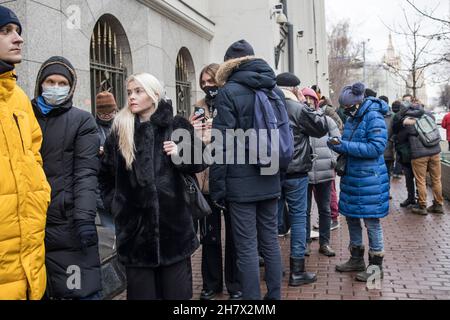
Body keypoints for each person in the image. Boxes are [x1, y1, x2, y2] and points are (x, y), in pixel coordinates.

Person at [99, 73, 206, 300]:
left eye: (138, 91)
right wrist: (116, 205)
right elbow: (104, 176)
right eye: (129, 92)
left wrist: (180, 155)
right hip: (135, 236)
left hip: (174, 232)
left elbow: (202, 160)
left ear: (154, 94)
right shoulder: (120, 130)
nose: (132, 97)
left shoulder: (177, 125)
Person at [210, 40, 284, 300]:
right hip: (270, 174)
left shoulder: (228, 92)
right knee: (270, 243)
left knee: (246, 248)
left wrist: (217, 188)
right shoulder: (273, 90)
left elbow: (221, 144)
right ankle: (274, 297)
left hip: (240, 183)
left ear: (228, 65)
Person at [31, 56, 102, 299]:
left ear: (70, 87)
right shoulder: (24, 116)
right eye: (50, 81)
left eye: (62, 83)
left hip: (68, 223)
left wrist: (84, 219)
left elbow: (86, 173)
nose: (55, 87)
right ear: (40, 83)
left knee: (77, 290)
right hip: (31, 224)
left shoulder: (81, 120)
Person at [0, 5, 51, 300]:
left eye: (18, 31)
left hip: (28, 262)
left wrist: (40, 192)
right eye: (6, 31)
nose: (18, 38)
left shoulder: (18, 98)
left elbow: (33, 154)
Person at [191, 63, 241, 301]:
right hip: (206, 182)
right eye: (204, 83)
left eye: (212, 82)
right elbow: (192, 148)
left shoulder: (231, 103)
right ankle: (211, 284)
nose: (208, 87)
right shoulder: (198, 108)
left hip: (230, 180)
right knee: (210, 236)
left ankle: (235, 284)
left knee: (233, 237)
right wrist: (195, 134)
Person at [330, 82, 389, 282]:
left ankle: (375, 268)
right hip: (353, 178)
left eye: (347, 107)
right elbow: (353, 145)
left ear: (357, 102)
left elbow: (376, 148)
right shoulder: (354, 117)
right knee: (352, 218)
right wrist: (338, 145)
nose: (345, 111)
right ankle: (356, 259)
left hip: (369, 180)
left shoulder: (373, 116)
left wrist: (344, 145)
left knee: (372, 223)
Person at [275, 74, 328, 286]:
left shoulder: (266, 104)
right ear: (295, 88)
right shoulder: (297, 108)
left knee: (270, 220)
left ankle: (274, 268)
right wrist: (304, 103)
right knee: (298, 218)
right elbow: (320, 127)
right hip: (296, 171)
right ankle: (297, 272)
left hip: (271, 171)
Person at [302, 87, 340, 258]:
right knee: (304, 210)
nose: (309, 102)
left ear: (317, 101)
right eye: (306, 99)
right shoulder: (300, 120)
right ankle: (305, 243)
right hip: (305, 172)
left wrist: (332, 159)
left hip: (325, 172)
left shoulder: (327, 120)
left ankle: (325, 243)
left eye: (312, 99)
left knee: (324, 209)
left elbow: (337, 142)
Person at [401, 104, 444, 215]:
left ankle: (422, 206)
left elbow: (401, 137)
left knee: (421, 180)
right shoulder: (429, 116)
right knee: (436, 179)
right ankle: (438, 205)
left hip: (419, 155)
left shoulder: (408, 121)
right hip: (435, 152)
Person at [95, 91, 118, 228]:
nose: (107, 116)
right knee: (109, 232)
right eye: (103, 114)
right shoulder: (92, 127)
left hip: (121, 187)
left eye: (110, 112)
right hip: (102, 189)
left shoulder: (123, 124)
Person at [380, 96, 395, 183]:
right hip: (377, 151)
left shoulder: (393, 116)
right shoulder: (375, 115)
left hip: (389, 150)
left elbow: (396, 132)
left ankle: (386, 193)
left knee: (387, 173)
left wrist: (391, 140)